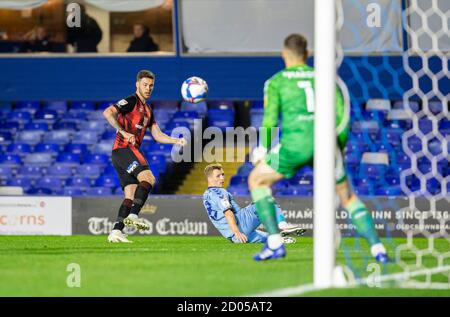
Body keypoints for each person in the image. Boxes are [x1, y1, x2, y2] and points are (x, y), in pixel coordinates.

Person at [248, 34, 389, 262]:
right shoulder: (325, 79)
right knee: (348, 197)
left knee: (257, 180)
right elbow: (342, 117)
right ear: (308, 54)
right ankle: (378, 250)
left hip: (294, 147)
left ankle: (275, 243)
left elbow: (270, 120)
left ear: (284, 54)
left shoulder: (276, 81)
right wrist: (338, 148)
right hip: (326, 144)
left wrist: (262, 149)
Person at [103, 70, 187, 243]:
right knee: (148, 178)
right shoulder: (131, 101)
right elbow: (108, 112)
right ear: (137, 85)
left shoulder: (148, 110)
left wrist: (175, 141)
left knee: (130, 194)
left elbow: (157, 135)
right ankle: (133, 216)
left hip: (120, 154)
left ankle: (116, 232)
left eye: (151, 86)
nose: (148, 88)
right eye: (145, 85)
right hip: (124, 148)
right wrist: (123, 131)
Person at [202, 163, 305, 244]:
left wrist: (238, 232)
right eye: (218, 176)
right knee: (265, 199)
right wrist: (237, 231)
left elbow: (237, 212)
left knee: (267, 237)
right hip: (238, 230)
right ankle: (283, 225)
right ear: (210, 178)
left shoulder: (206, 195)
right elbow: (228, 213)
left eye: (223, 175)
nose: (222, 178)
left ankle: (278, 239)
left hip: (234, 237)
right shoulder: (219, 192)